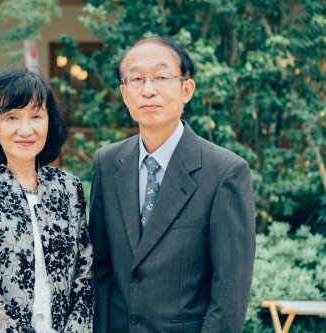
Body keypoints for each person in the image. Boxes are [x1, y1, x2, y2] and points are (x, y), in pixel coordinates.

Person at [89, 36, 256, 332]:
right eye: (137, 79)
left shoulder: (225, 172)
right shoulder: (108, 162)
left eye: (162, 77)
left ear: (186, 89)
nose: (148, 90)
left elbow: (229, 295)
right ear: (125, 94)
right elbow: (101, 270)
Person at [0, 67, 94, 332]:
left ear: (49, 122)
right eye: (12, 117)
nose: (25, 130)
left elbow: (84, 274)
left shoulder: (69, 188)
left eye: (36, 116)